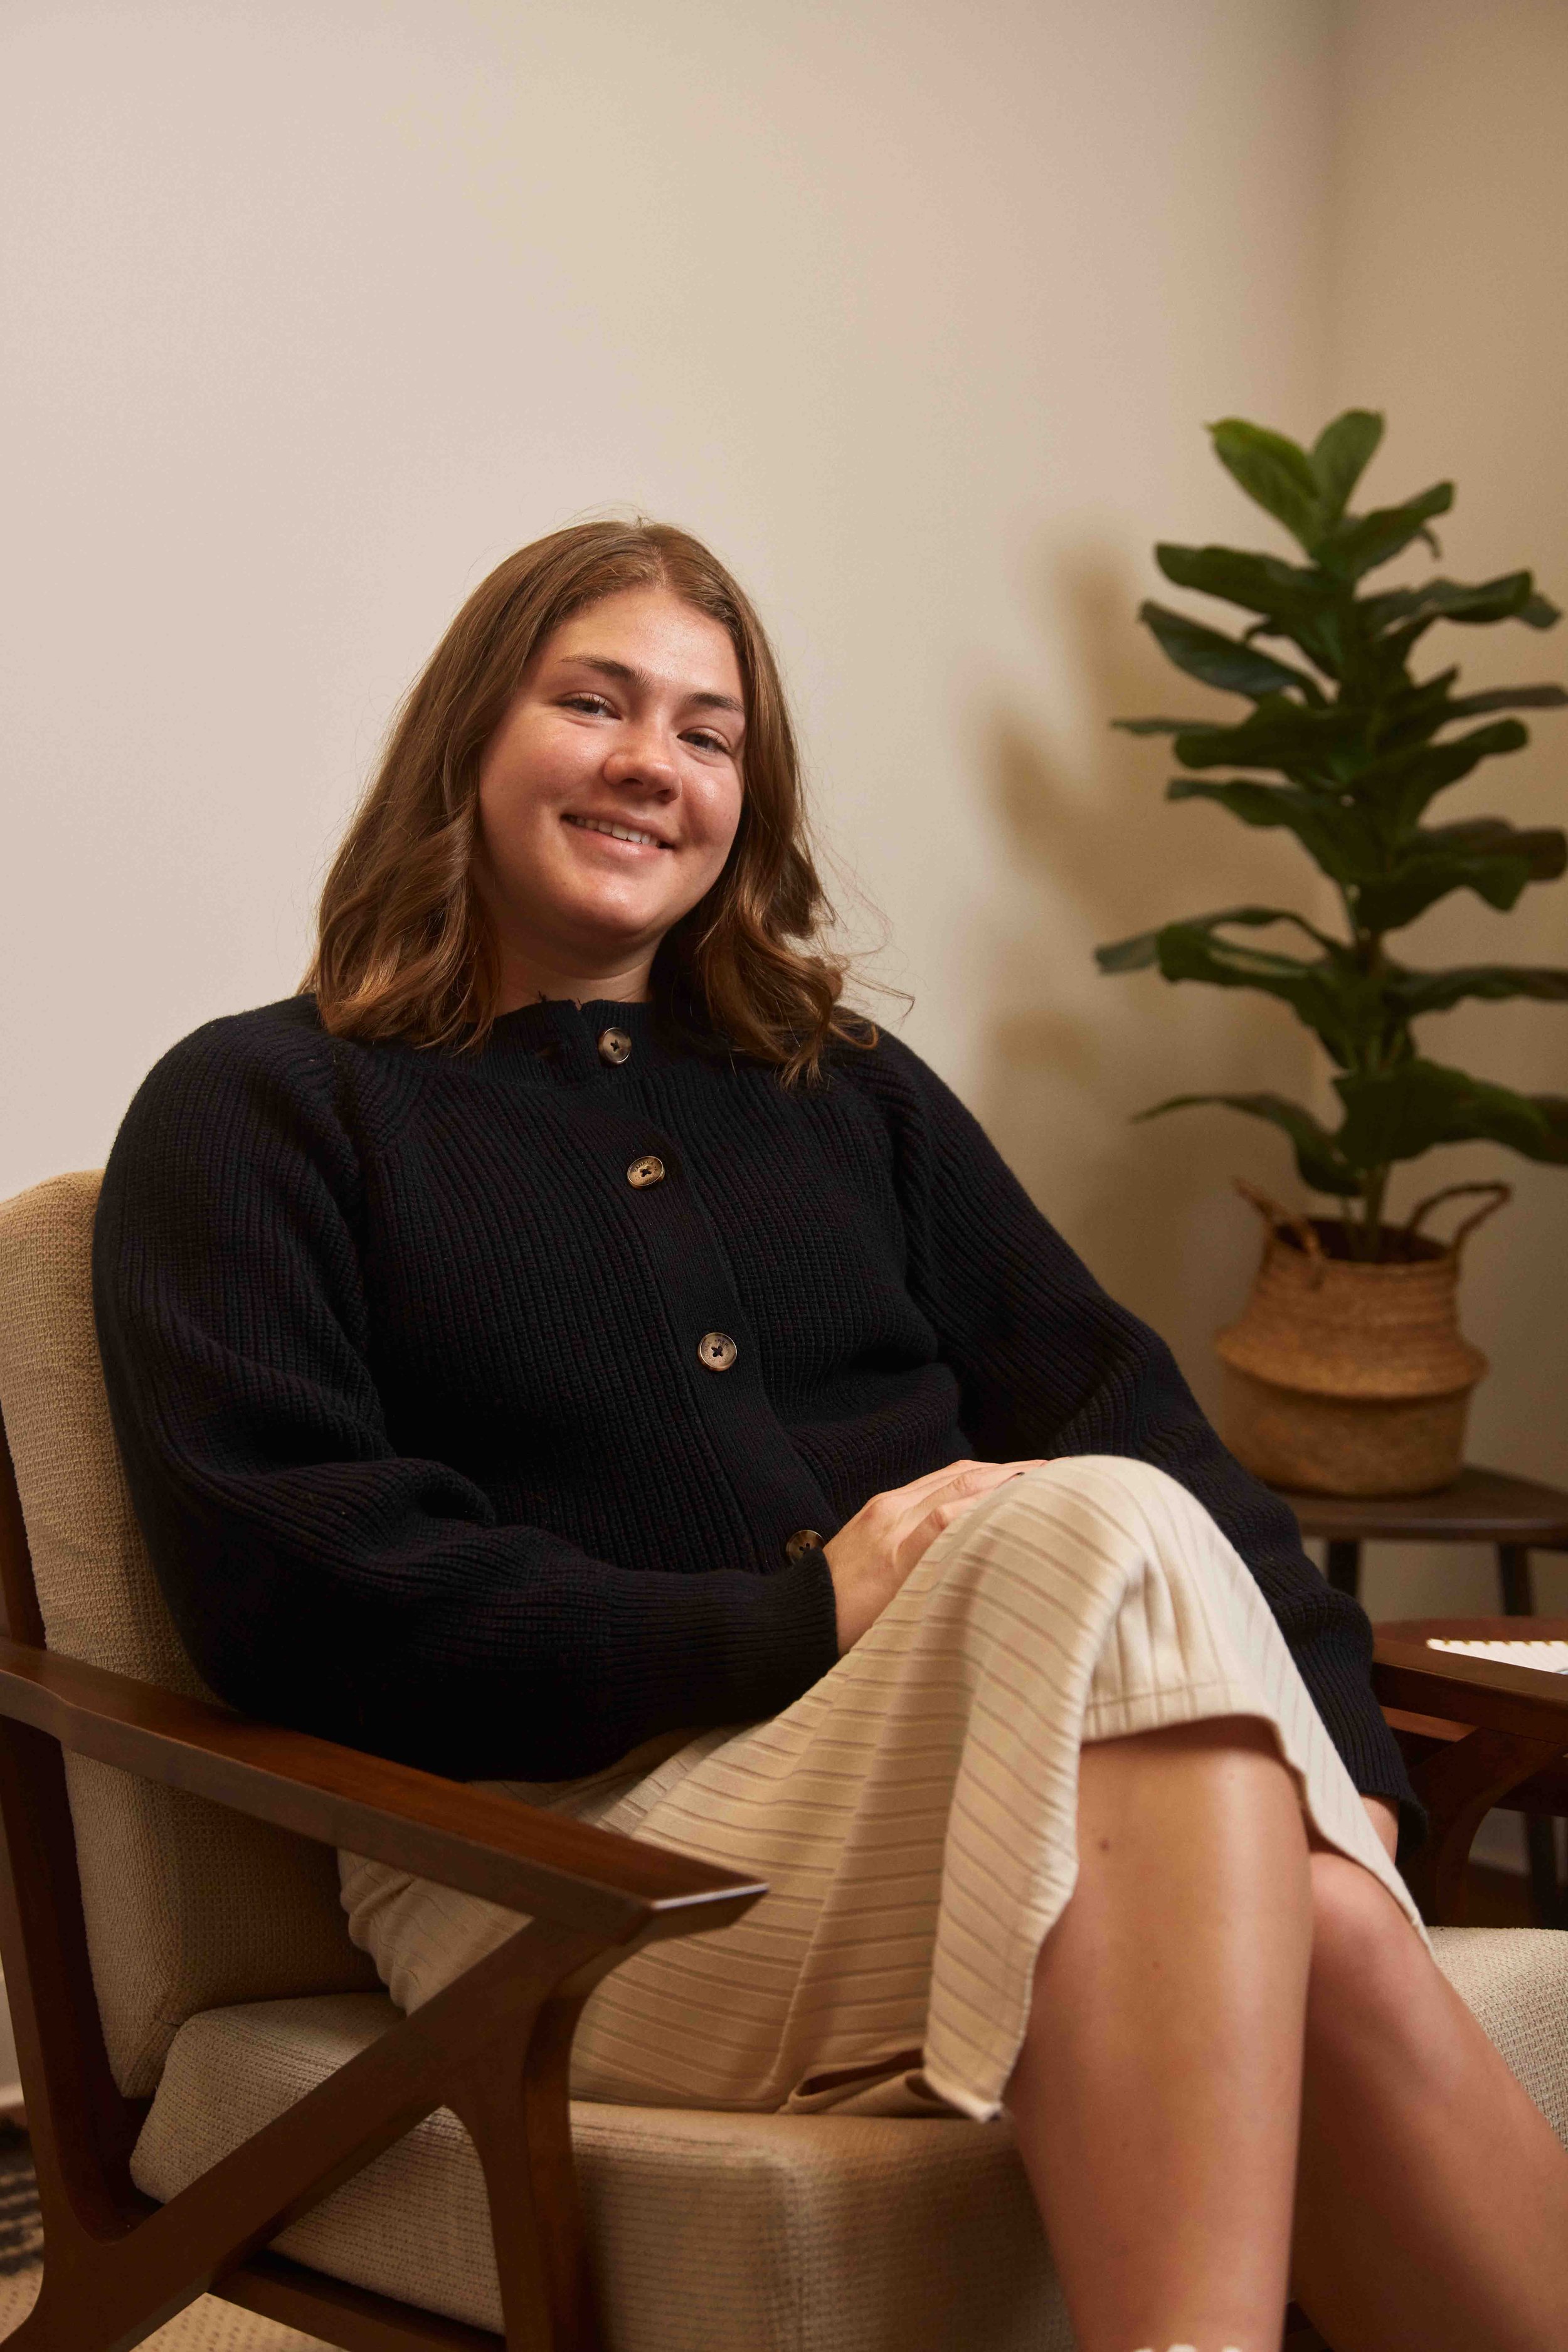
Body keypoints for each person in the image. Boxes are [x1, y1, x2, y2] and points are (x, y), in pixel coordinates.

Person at [93, 520, 1567, 2352]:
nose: (654, 761)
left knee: (1318, 1896)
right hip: (563, 1873)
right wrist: (801, 1617)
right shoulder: (264, 1106)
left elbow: (1139, 1417)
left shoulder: (844, 1090)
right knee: (1088, 1529)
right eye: (593, 701)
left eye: (710, 733)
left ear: (747, 799)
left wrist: (1336, 1762)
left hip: (961, 1803)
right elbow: (291, 1590)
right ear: (467, 740)